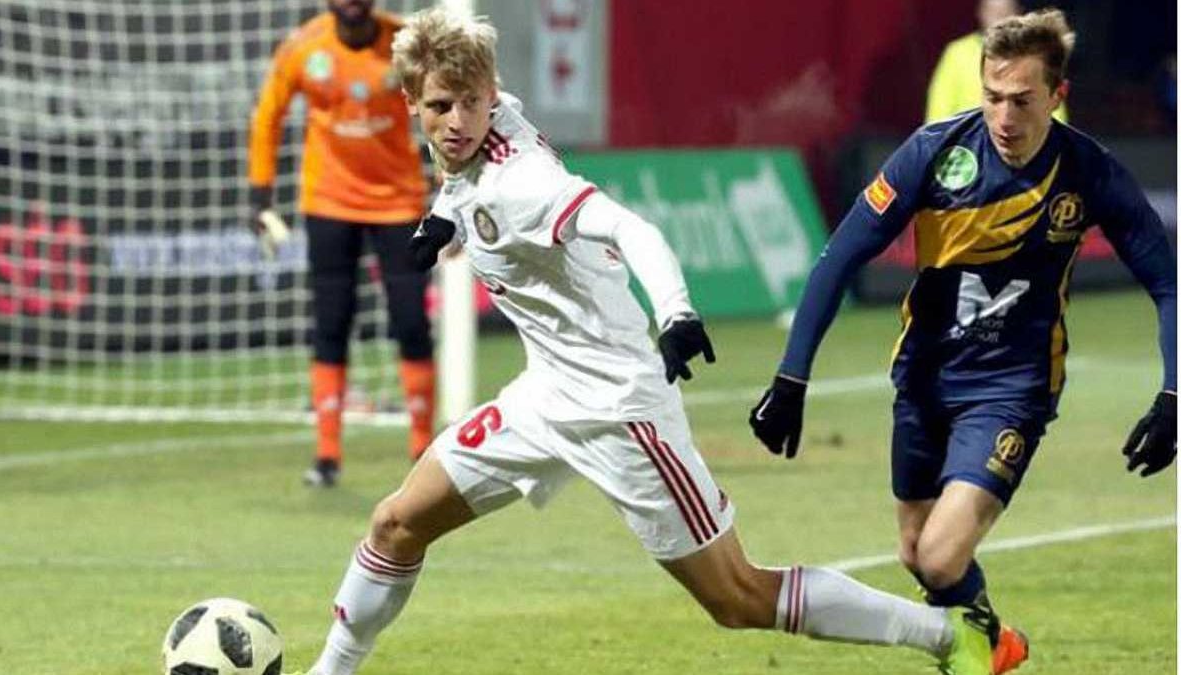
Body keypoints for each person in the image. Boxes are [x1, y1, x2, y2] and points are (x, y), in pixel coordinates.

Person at [285, 8, 999, 675]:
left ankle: (950, 634)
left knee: (737, 596)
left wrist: (676, 312)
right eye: (442, 106)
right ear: (411, 102)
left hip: (619, 407)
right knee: (396, 522)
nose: (459, 121)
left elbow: (632, 230)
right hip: (543, 396)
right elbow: (464, 171)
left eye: (472, 103)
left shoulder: (522, 183)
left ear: (491, 94)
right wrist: (446, 212)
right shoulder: (487, 133)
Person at [751, 8, 1175, 674]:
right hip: (923, 378)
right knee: (915, 550)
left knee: (942, 556)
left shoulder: (1088, 171)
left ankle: (974, 655)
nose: (1004, 116)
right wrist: (791, 377)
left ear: (1057, 95)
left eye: (1022, 100)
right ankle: (991, 643)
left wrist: (1174, 392)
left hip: (1013, 387)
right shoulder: (934, 152)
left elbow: (1168, 281)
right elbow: (840, 257)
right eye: (993, 96)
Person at [248, 0, 436, 484]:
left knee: (411, 320)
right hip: (329, 201)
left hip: (399, 202)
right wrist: (259, 193)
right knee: (331, 322)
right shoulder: (303, 46)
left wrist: (451, 181)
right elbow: (268, 115)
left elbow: (446, 103)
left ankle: (423, 448)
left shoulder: (406, 43)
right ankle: (327, 455)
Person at [926, 0, 1068, 124]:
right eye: (993, 11)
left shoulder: (1036, 54)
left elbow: (1052, 103)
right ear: (981, 13)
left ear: (1017, 15)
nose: (999, 17)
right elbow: (939, 106)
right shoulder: (958, 52)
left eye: (1005, 11)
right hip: (968, 142)